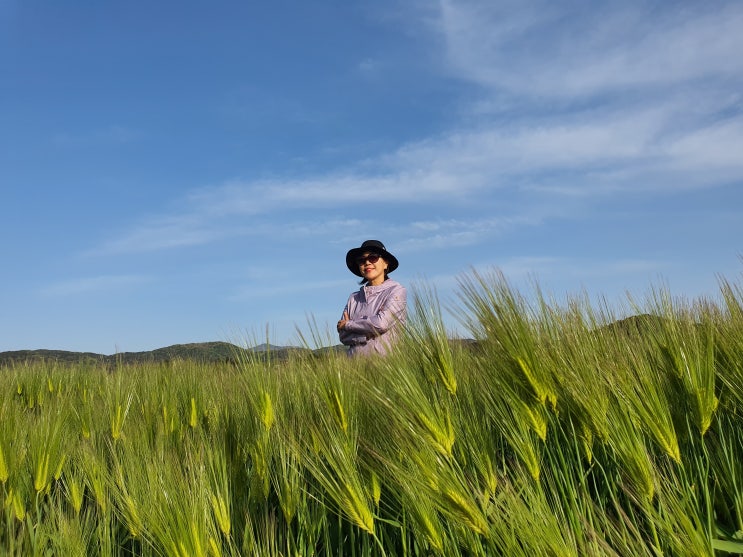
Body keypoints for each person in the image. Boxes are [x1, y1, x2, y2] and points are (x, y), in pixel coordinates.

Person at [337, 240, 407, 356]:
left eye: (373, 257)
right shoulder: (353, 298)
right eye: (361, 260)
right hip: (354, 368)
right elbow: (343, 336)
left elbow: (381, 324)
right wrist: (370, 333)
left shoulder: (397, 291)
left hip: (386, 368)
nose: (367, 262)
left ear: (386, 263)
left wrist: (348, 325)